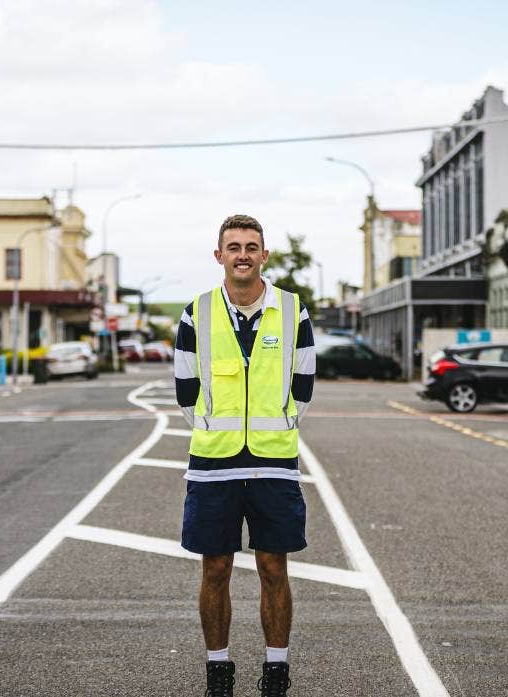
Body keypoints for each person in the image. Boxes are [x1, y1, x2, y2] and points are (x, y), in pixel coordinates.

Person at [174, 214, 315, 696]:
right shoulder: (197, 311)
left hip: (275, 461)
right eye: (233, 247)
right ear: (219, 256)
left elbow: (304, 383)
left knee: (274, 567)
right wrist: (216, 429)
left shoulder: (293, 311)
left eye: (251, 246)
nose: (242, 255)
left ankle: (276, 670)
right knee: (215, 567)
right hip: (214, 462)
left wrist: (281, 421)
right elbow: (185, 388)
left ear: (264, 255)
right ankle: (219, 670)